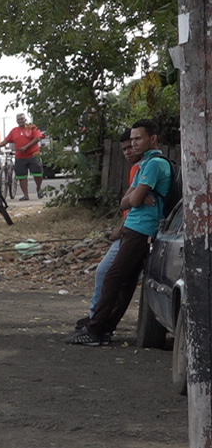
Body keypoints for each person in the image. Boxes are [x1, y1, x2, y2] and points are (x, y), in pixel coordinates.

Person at [66, 119, 172, 346]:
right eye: (131, 139)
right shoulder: (144, 164)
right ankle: (102, 328)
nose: (133, 144)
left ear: (152, 139)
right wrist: (135, 197)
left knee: (115, 278)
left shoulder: (154, 164)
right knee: (122, 281)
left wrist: (136, 197)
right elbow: (126, 202)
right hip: (134, 227)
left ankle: (96, 330)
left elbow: (132, 199)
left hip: (142, 229)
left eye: (138, 139)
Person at [74, 133, 143, 334]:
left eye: (132, 145)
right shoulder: (137, 170)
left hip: (134, 231)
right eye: (125, 148)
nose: (129, 151)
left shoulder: (149, 167)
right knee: (118, 278)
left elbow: (135, 201)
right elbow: (127, 201)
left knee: (109, 274)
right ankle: (100, 320)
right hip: (128, 228)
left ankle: (99, 322)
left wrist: (123, 225)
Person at [0, 113, 46, 201]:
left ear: (25, 119)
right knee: (22, 176)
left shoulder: (32, 127)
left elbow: (37, 138)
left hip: (33, 155)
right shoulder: (14, 131)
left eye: (22, 119)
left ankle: (39, 188)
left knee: (37, 173)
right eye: (18, 119)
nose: (20, 121)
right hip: (20, 157)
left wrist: (26, 147)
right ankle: (26, 195)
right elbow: (6, 141)